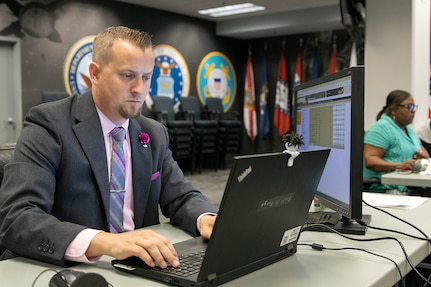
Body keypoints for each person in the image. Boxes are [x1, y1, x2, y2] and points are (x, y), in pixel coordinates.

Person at [0, 26, 218, 268]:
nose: (139, 89)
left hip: (139, 269)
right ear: (95, 73)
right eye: (127, 75)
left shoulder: (153, 133)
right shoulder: (50, 125)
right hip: (68, 269)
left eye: (146, 77)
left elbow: (181, 196)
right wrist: (108, 242)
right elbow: (18, 218)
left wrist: (206, 218)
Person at [363, 89, 430, 194]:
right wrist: (398, 165)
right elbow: (370, 160)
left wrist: (422, 158)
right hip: (385, 188)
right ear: (393, 109)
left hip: (407, 186)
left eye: (414, 107)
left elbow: (423, 153)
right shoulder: (381, 128)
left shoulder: (409, 130)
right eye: (409, 107)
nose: (413, 111)